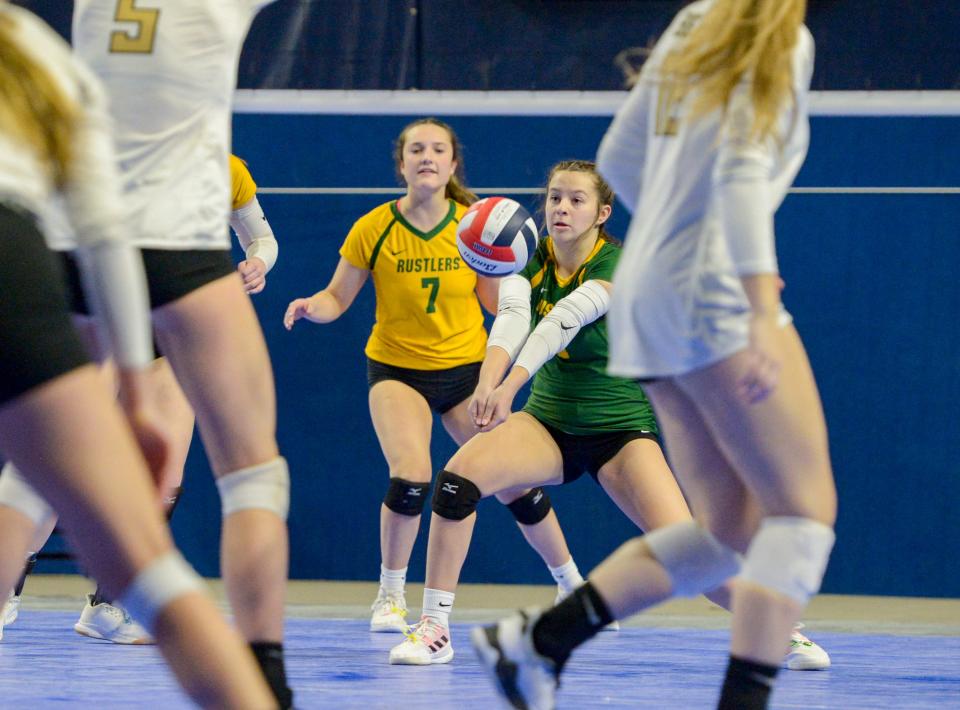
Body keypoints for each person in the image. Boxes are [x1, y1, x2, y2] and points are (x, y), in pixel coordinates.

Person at [473, 2, 837, 709]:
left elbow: (619, 158)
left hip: (648, 290)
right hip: (714, 293)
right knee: (802, 513)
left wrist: (673, 237)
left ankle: (540, 641)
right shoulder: (781, 39)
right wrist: (758, 304)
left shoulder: (696, 20)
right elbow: (739, 169)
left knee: (728, 532)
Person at [0, 4, 275, 706]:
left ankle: (101, 601)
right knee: (246, 476)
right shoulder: (40, 52)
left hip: (66, 252)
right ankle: (261, 680)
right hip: (158, 252)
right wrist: (132, 378)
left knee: (40, 474)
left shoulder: (80, 20)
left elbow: (103, 217)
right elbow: (102, 218)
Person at [284, 118, 591, 634]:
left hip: (466, 372)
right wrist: (312, 306)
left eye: (438, 150)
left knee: (515, 481)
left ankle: (571, 584)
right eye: (416, 149)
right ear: (401, 163)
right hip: (397, 370)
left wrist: (538, 320)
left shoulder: (476, 227)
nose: (427, 157)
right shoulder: (374, 227)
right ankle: (390, 596)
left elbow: (498, 307)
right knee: (411, 475)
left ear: (453, 164)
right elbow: (337, 296)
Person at [1, 153, 280, 645]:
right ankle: (7, 591)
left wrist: (258, 262)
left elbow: (262, 237)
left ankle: (108, 606)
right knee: (60, 455)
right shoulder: (108, 155)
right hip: (104, 316)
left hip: (173, 327)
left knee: (166, 473)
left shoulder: (228, 168)